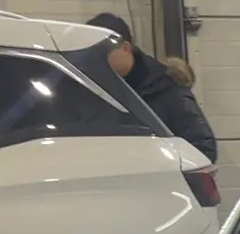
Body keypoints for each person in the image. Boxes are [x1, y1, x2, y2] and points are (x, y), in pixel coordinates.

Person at [88, 12, 217, 158]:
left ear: (125, 48)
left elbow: (203, 148)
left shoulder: (165, 88)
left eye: (100, 54)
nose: (94, 61)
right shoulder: (88, 89)